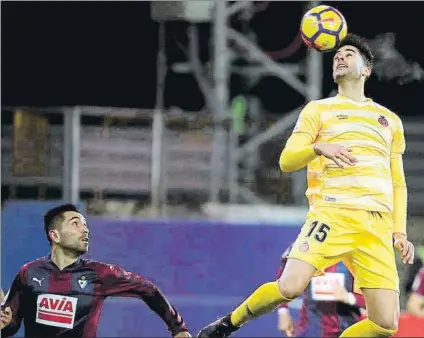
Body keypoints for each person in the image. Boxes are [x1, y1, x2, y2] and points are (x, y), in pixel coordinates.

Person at [197, 33, 415, 338]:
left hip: (376, 226)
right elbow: (287, 161)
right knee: (289, 287)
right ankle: (228, 323)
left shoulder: (389, 121)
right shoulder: (318, 110)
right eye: (337, 55)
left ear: (366, 69)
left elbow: (398, 182)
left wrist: (399, 231)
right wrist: (318, 148)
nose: (339, 57)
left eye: (349, 54)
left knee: (385, 324)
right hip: (333, 215)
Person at [0, 204, 192, 338]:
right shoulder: (29, 273)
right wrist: (5, 325)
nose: (85, 230)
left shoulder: (102, 274)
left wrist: (178, 328)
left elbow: (148, 290)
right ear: (55, 235)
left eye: (85, 225)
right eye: (75, 223)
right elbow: (11, 324)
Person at [276, 243, 366, 337]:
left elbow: (377, 298)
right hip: (311, 329)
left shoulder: (361, 249)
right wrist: (283, 311)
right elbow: (283, 274)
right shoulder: (307, 242)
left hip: (348, 329)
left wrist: (349, 298)